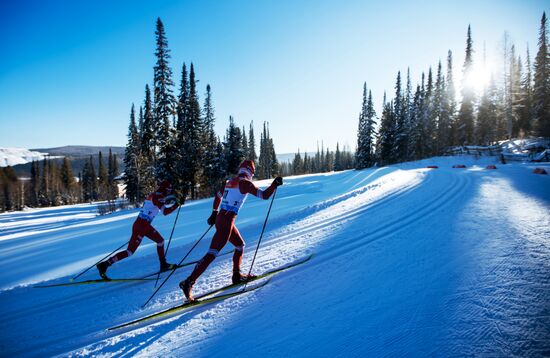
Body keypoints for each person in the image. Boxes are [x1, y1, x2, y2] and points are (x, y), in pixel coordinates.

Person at [179, 160, 283, 302]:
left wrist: (214, 213)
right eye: (252, 173)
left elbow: (217, 195)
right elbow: (264, 196)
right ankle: (188, 282)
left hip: (222, 218)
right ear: (251, 172)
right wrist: (274, 185)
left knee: (240, 245)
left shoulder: (230, 181)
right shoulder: (245, 183)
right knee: (212, 253)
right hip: (227, 221)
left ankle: (236, 276)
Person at [96, 180, 180, 279]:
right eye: (169, 189)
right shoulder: (158, 196)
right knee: (134, 250)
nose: (170, 191)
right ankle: (163, 264)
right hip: (142, 226)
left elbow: (158, 204)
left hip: (140, 224)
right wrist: (176, 204)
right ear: (165, 189)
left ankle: (105, 264)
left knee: (155, 242)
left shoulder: (155, 194)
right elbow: (165, 212)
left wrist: (174, 200)